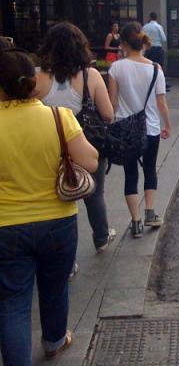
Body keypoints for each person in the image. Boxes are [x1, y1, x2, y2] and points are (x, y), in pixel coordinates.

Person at [0, 48, 99, 364]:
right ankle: (54, 341)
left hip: (6, 226)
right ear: (33, 81)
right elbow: (91, 161)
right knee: (54, 289)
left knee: (13, 302)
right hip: (57, 221)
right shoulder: (58, 117)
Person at [36, 22, 116, 253]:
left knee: (59, 202)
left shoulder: (38, 79)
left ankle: (66, 260)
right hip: (87, 146)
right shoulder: (90, 75)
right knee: (95, 193)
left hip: (50, 149)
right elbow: (108, 115)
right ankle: (101, 237)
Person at [108, 22, 171, 238]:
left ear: (124, 44)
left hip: (125, 129)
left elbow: (113, 102)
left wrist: (110, 123)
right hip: (150, 128)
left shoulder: (116, 68)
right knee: (150, 169)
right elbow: (162, 102)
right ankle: (150, 214)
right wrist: (167, 125)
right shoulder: (155, 69)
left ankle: (135, 222)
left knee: (130, 174)